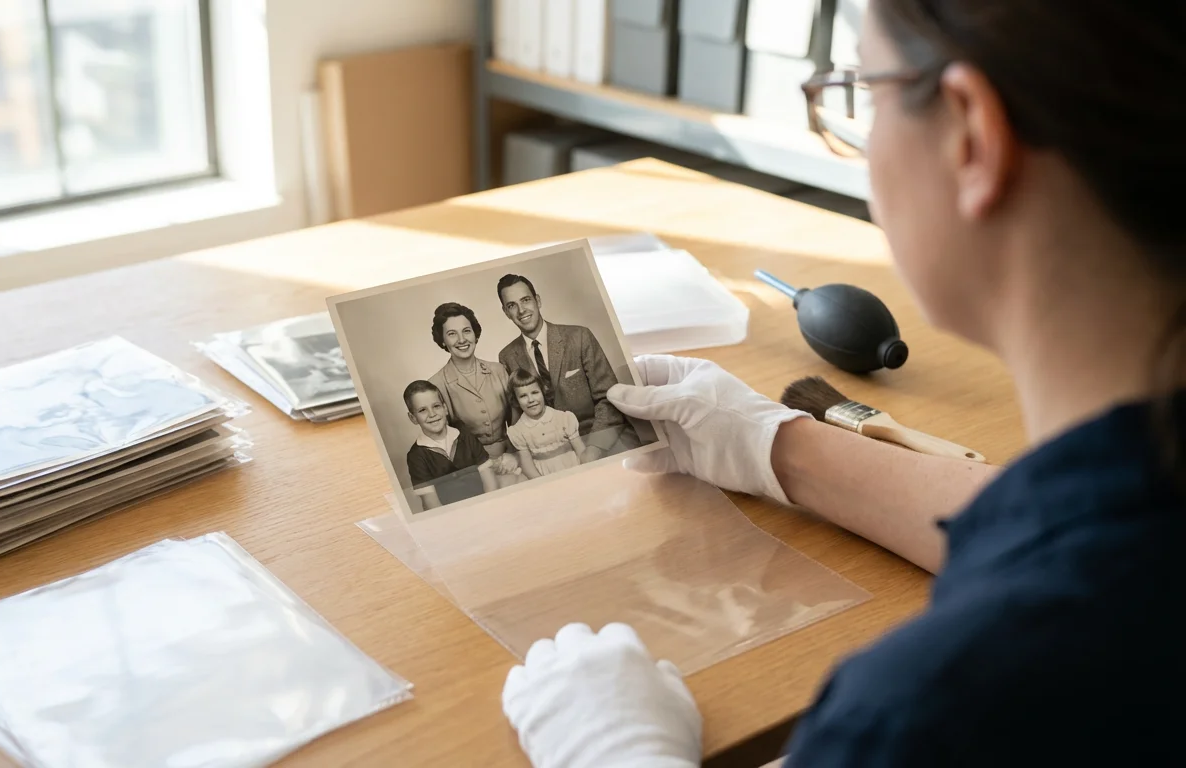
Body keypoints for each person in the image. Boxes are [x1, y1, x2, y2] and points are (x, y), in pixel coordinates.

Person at [500, 1, 1186, 766]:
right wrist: (773, 444)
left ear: (971, 138)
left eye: (864, 91)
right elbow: (1068, 522)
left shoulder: (933, 712)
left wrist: (616, 749)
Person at [496, 274, 640, 463]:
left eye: (526, 300)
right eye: (512, 305)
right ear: (506, 312)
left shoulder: (579, 337)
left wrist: (594, 448)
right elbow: (519, 415)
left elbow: (609, 397)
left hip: (596, 435)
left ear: (537, 300)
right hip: (550, 453)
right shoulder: (507, 356)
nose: (521, 310)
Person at [426, 302, 524, 488]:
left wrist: (513, 453)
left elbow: (518, 420)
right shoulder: (436, 385)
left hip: (512, 459)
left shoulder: (499, 370)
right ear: (442, 340)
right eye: (452, 334)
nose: (462, 339)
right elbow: (444, 441)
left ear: (475, 334)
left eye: (466, 331)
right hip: (471, 469)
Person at [402, 380, 496, 511]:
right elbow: (432, 505)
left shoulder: (464, 434)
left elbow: (490, 482)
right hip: (452, 516)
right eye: (422, 410)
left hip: (486, 505)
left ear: (445, 408)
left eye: (436, 406)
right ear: (412, 418)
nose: (432, 414)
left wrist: (489, 509)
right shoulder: (416, 456)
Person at [506, 369, 586, 479]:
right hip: (544, 479)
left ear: (543, 391)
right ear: (515, 400)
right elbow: (527, 466)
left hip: (575, 473)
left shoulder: (564, 418)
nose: (531, 400)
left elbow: (581, 452)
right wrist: (544, 485)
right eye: (523, 396)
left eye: (535, 392)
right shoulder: (518, 431)